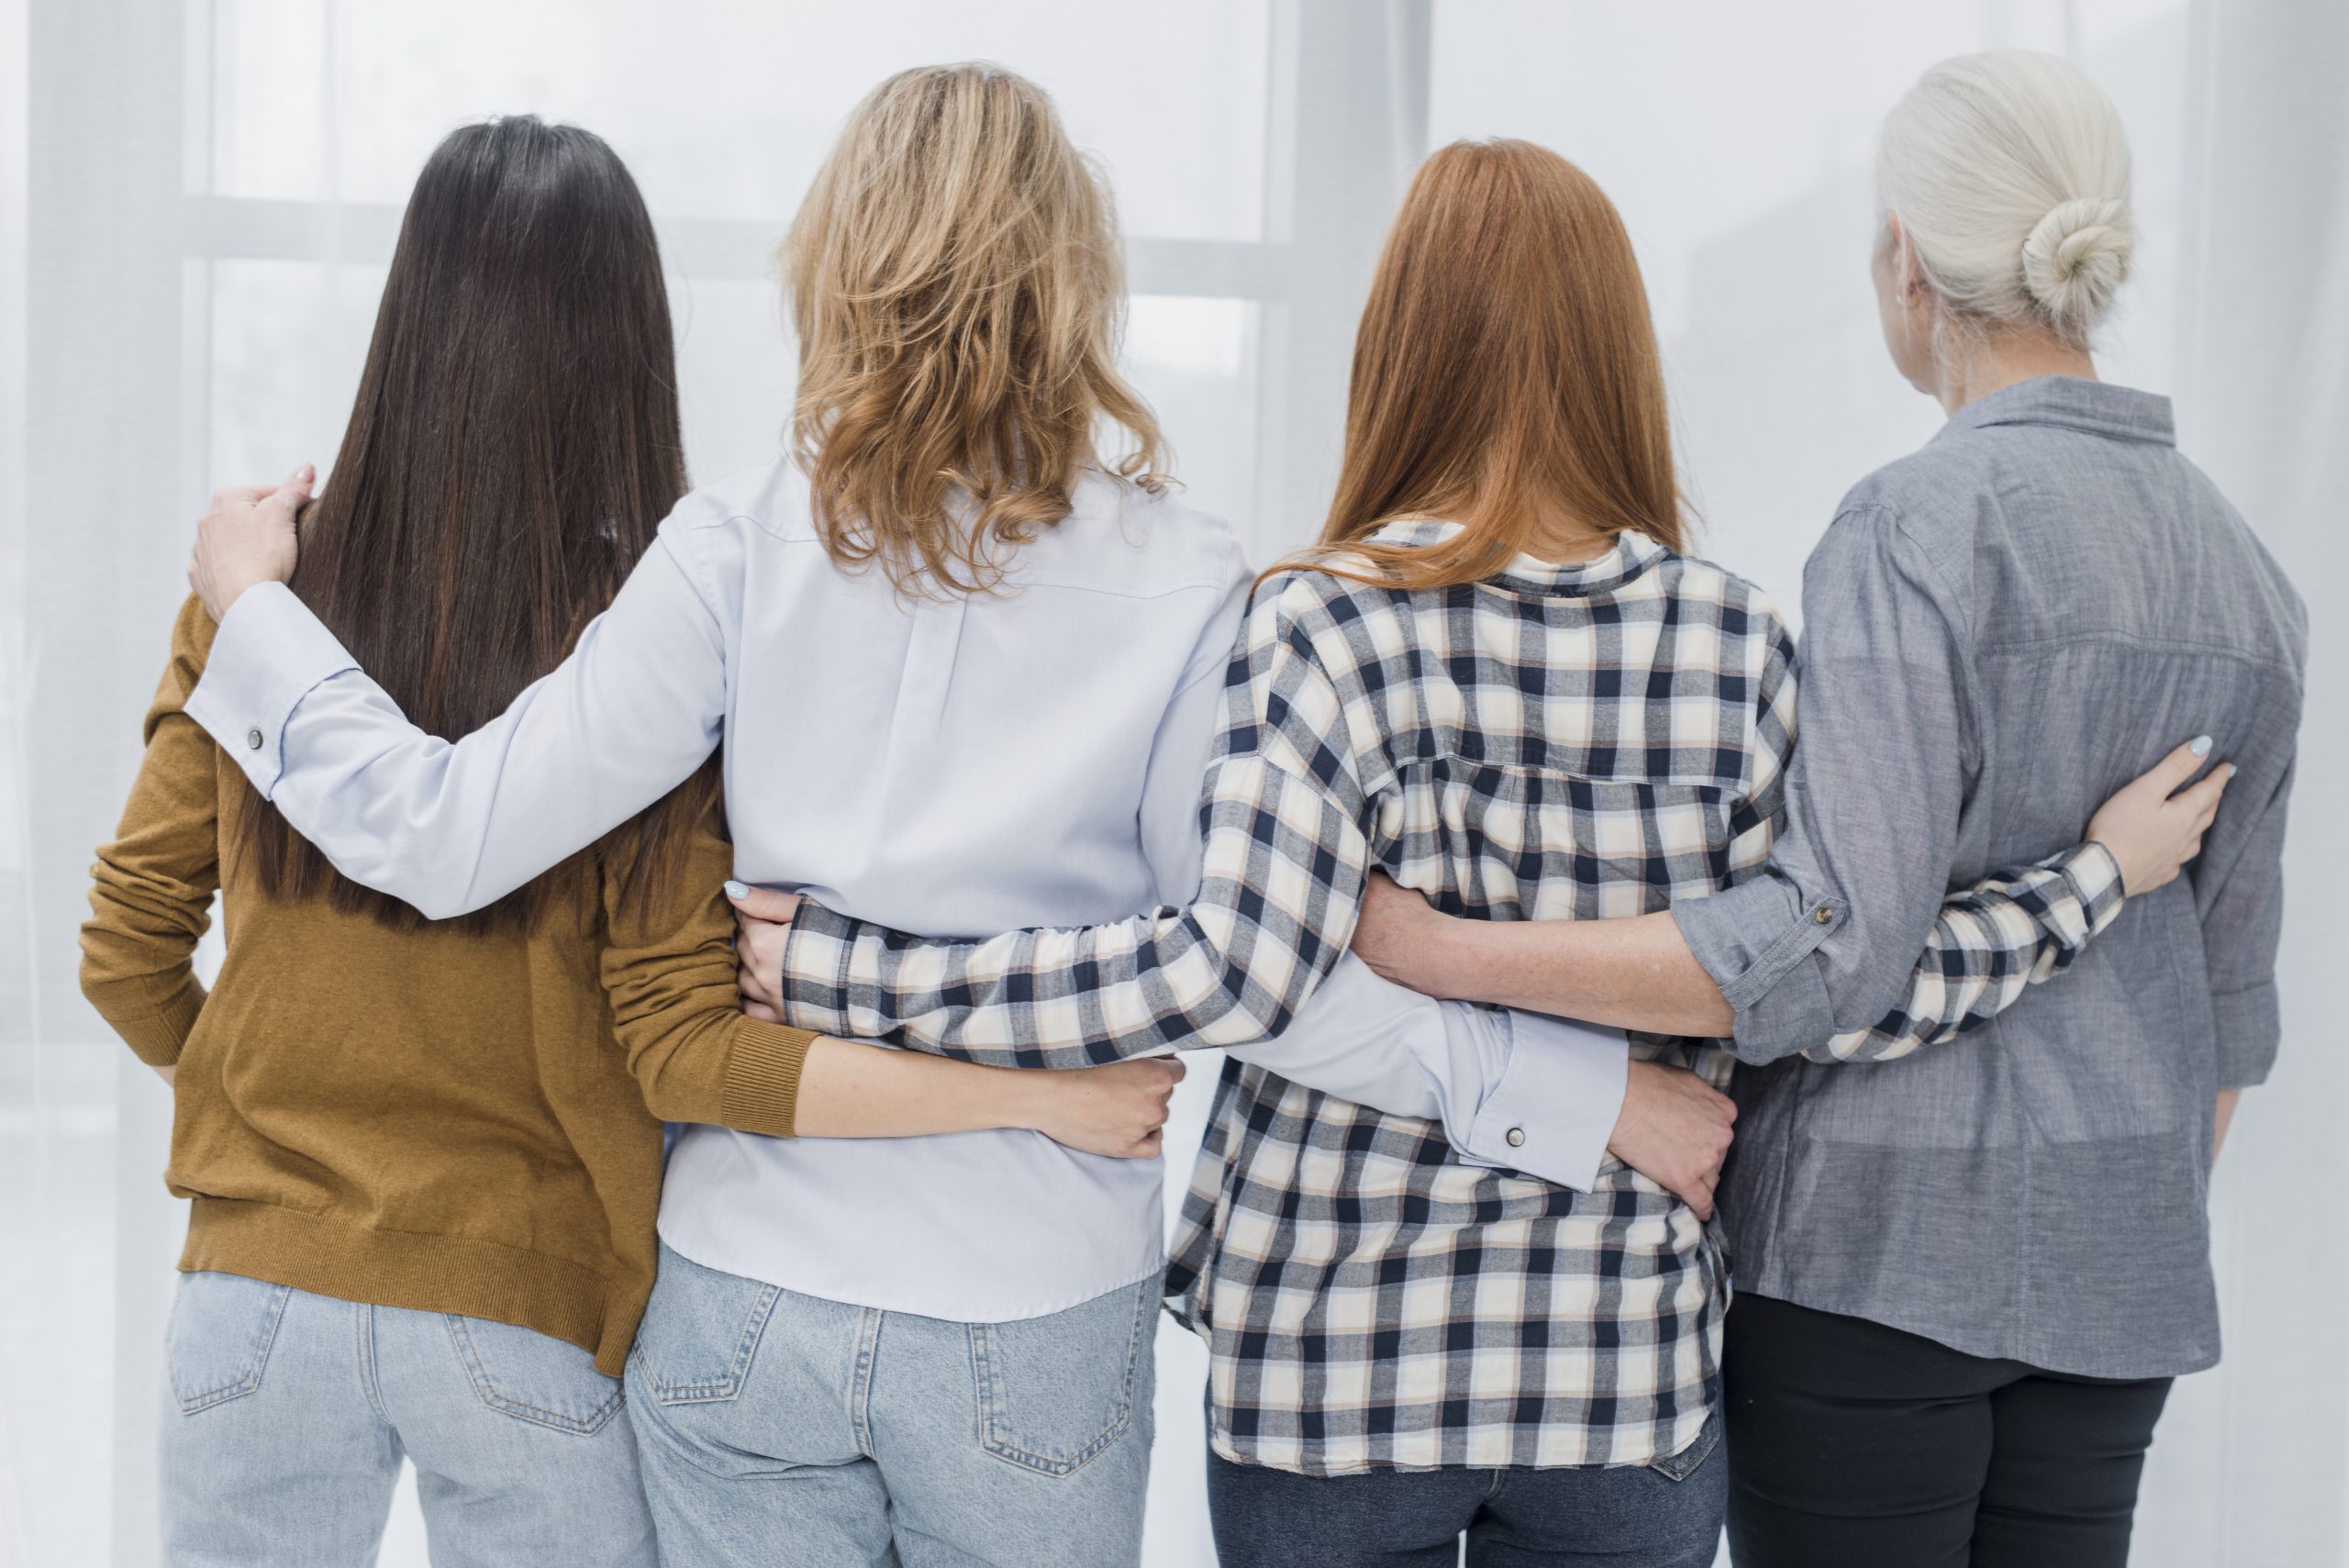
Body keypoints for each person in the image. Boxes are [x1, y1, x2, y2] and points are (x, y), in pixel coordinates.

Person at [168, 68, 1690, 1568]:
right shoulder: (1187, 576)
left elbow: (447, 829)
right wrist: (1576, 1098)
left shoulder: (737, 546)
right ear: (1074, 278)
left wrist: (250, 610)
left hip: (744, 1291)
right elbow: (1253, 973)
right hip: (1027, 1303)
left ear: (838, 264)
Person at [721, 139, 2210, 1567]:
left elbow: (1227, 969)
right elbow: (1843, 980)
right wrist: (2092, 881)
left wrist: (850, 971)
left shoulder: (1317, 620)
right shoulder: (1734, 641)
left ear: (1400, 349)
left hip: (1333, 1362)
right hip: (1613, 1370)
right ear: (1621, 353)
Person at [79, 116, 1177, 1568]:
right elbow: (683, 1046)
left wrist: (260, 1114)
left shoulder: (257, 600)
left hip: (251, 1298)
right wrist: (1027, 1093)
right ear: (629, 344)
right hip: (531, 1312)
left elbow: (124, 952)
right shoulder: (647, 636)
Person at [1340, 52, 2305, 1568]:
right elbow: (2233, 1012)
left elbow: (1826, 955)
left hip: (1872, 1265)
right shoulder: (2255, 582)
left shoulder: (1910, 525)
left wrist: (1454, 949)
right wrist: (2112, 1215)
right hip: (2124, 1278)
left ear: (1906, 261)